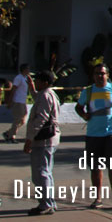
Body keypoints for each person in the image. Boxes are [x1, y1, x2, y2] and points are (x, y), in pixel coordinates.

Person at [75, 63, 112, 210]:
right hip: (93, 133)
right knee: (95, 167)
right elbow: (78, 107)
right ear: (93, 76)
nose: (100, 76)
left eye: (102, 73)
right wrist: (84, 115)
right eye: (97, 73)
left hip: (111, 132)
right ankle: (97, 197)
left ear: (107, 75)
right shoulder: (87, 92)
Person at [24, 70, 61, 215]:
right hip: (48, 140)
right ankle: (49, 202)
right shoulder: (48, 94)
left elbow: (41, 119)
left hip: (43, 140)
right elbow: (39, 101)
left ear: (45, 82)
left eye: (38, 80)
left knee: (41, 173)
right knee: (45, 172)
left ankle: (45, 204)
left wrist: (29, 139)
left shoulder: (45, 95)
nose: (36, 82)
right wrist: (32, 89)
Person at [4, 64, 35, 143]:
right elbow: (13, 90)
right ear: (24, 70)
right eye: (27, 69)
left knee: (23, 121)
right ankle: (11, 137)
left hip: (23, 101)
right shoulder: (18, 78)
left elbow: (32, 88)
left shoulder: (26, 78)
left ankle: (8, 133)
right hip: (18, 101)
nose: (29, 70)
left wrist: (31, 82)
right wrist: (10, 101)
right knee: (17, 119)